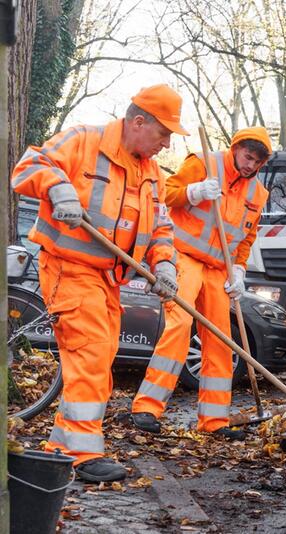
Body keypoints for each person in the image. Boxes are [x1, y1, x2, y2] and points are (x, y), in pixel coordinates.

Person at [11, 85, 186, 482]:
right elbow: (27, 167)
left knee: (99, 356)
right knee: (89, 352)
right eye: (164, 133)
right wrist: (58, 187)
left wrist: (165, 267)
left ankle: (66, 442)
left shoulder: (152, 173)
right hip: (68, 267)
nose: (167, 142)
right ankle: (78, 452)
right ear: (138, 122)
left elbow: (160, 228)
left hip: (108, 278)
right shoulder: (83, 140)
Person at [129, 127, 271, 441]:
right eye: (248, 157)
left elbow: (246, 239)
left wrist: (240, 270)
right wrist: (194, 192)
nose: (251, 165)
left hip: (220, 269)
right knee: (179, 325)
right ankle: (147, 407)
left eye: (258, 162)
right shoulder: (205, 163)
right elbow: (166, 193)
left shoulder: (258, 194)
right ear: (236, 149)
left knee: (220, 340)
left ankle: (214, 420)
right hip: (184, 256)